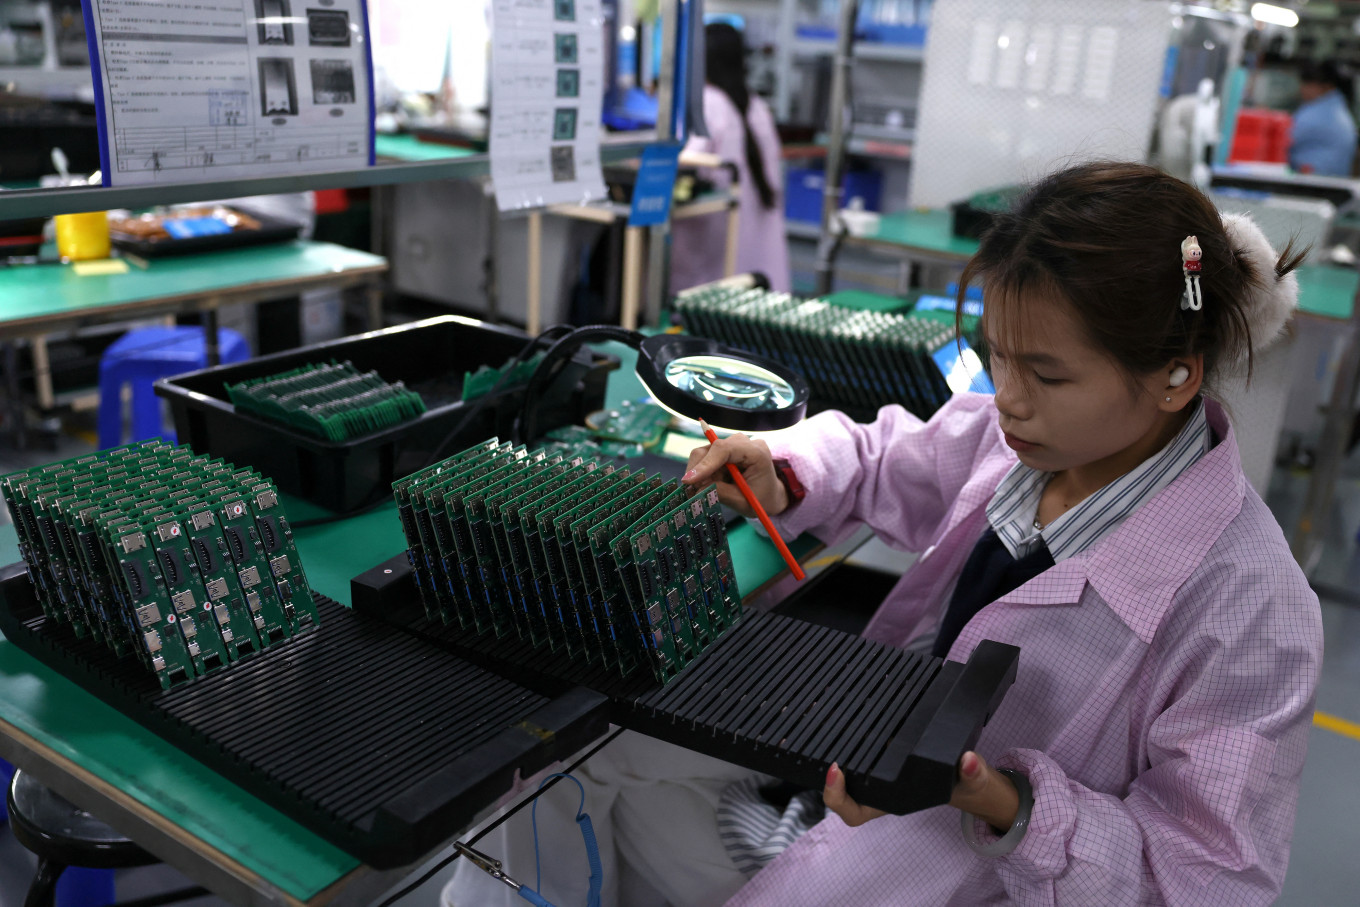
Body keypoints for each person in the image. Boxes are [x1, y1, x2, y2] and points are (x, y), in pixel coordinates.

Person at [445, 162, 1322, 907]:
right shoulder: (1022, 442)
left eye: (1046, 372)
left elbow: (1208, 879)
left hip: (960, 872)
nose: (1008, 395)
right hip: (859, 780)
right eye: (998, 355)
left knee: (578, 794)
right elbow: (875, 455)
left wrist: (1012, 809)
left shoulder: (1249, 611)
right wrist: (786, 469)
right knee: (553, 768)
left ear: (1176, 376)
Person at [670, 23, 791, 294]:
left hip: (715, 258)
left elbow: (687, 163)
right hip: (758, 269)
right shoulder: (755, 104)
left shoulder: (709, 102)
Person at [1289, 60, 1357, 176]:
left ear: (1326, 87)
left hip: (1312, 184)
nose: (1301, 89)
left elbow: (1283, 139)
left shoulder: (1318, 113)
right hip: (1332, 182)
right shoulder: (1337, 108)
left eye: (1307, 84)